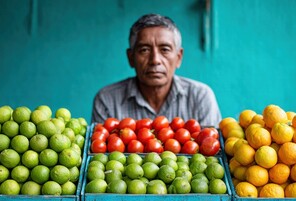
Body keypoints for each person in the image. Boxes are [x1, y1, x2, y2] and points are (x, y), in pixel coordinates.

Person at [91, 13, 222, 127]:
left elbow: (211, 152)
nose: (155, 60)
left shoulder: (200, 97)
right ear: (131, 58)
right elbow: (100, 154)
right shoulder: (107, 100)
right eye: (144, 50)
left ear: (178, 57)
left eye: (164, 49)